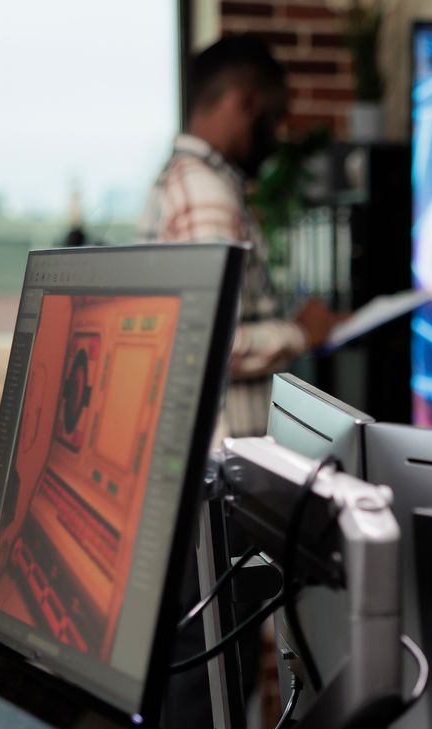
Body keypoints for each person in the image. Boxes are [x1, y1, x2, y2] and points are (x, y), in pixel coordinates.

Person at [141, 33, 339, 439]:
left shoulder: (181, 179)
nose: (278, 133)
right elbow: (212, 342)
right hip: (224, 451)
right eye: (276, 115)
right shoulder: (205, 192)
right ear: (246, 102)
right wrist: (300, 333)